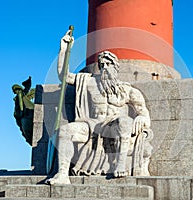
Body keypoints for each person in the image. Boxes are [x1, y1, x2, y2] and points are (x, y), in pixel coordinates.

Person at [47, 30, 151, 185]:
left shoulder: (127, 90)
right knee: (65, 131)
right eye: (102, 65)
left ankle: (120, 164)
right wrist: (63, 50)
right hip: (92, 125)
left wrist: (142, 118)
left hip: (115, 126)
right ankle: (62, 174)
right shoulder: (88, 81)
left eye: (109, 64)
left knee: (125, 122)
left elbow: (143, 112)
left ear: (116, 67)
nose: (105, 67)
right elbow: (64, 76)